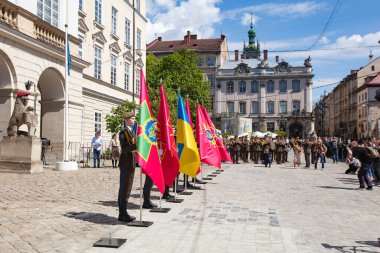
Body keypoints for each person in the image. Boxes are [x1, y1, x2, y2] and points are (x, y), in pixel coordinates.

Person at [118, 111, 137, 222]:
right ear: (127, 119)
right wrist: (136, 145)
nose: (134, 120)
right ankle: (122, 213)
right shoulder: (123, 133)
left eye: (134, 118)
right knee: (124, 189)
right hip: (125, 163)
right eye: (132, 118)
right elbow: (125, 149)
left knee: (128, 188)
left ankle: (124, 212)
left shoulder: (132, 132)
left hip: (131, 163)